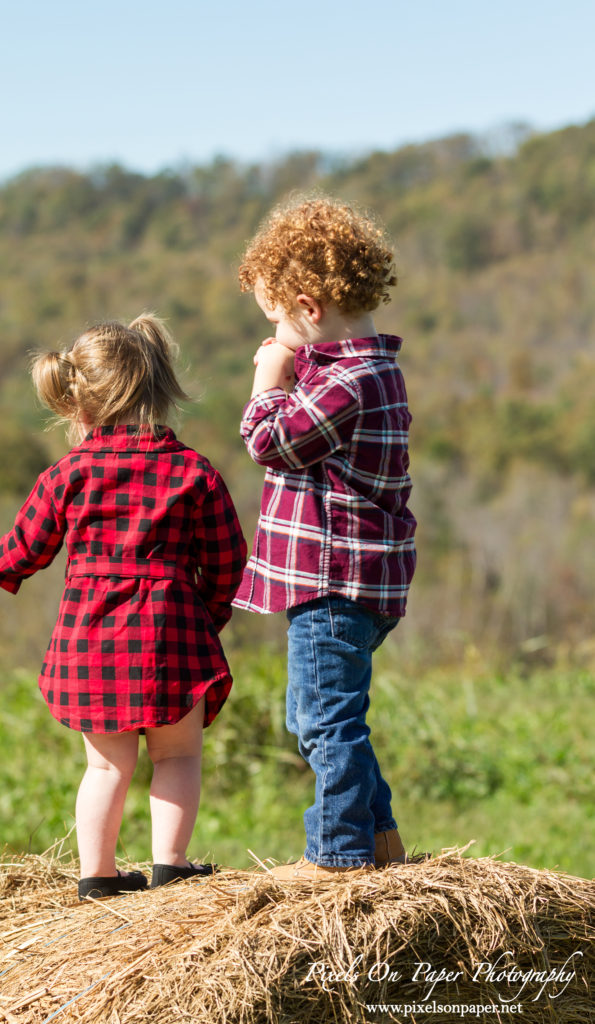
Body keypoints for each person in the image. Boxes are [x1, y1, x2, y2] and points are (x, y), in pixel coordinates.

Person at [0, 316, 247, 897]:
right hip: (172, 633)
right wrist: (208, 610)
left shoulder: (68, 472)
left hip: (92, 639)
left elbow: (29, 542)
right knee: (177, 757)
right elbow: (228, 559)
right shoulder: (194, 471)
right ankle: (170, 866)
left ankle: (96, 877)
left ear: (79, 403)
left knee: (105, 767)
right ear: (157, 388)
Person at [233, 196, 417, 879]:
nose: (276, 335)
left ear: (308, 308)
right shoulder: (370, 369)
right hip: (356, 578)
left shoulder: (347, 381)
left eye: (278, 320)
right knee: (322, 716)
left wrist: (266, 378)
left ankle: (335, 857)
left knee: (323, 724)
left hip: (333, 578)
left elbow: (271, 441)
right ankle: (378, 838)